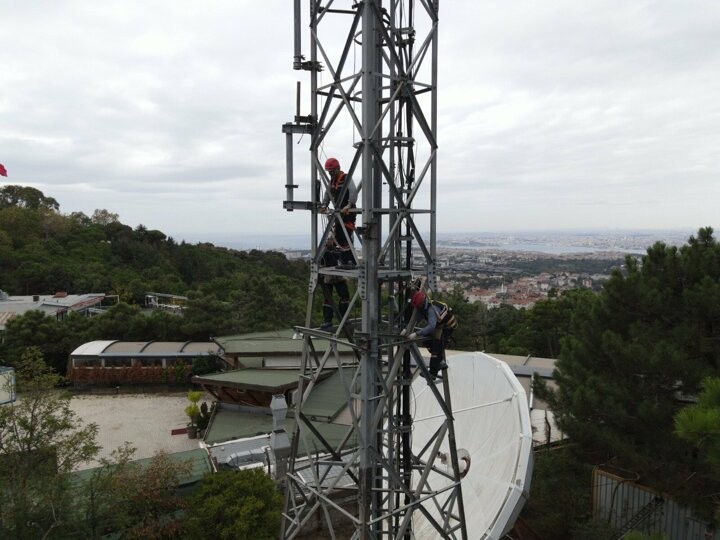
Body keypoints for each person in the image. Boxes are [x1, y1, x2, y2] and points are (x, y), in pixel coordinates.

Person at [404, 290, 458, 380]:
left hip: (447, 326)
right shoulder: (424, 307)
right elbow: (417, 319)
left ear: (422, 303)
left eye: (418, 306)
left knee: (436, 347)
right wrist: (406, 329)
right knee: (427, 341)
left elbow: (431, 326)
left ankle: (432, 373)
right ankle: (440, 362)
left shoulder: (431, 310)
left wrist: (416, 334)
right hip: (440, 325)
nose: (417, 308)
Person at [319, 157, 358, 268]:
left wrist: (350, 204)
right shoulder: (332, 181)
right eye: (329, 172)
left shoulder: (346, 178)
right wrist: (324, 205)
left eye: (332, 171)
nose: (330, 174)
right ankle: (346, 261)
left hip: (347, 211)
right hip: (339, 212)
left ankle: (349, 261)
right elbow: (328, 193)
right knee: (339, 236)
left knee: (345, 235)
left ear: (338, 168)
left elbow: (353, 191)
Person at [319, 237, 350, 329]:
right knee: (328, 298)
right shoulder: (324, 252)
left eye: (331, 240)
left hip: (338, 276)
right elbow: (321, 262)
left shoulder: (338, 250)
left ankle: (343, 318)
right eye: (328, 240)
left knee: (345, 296)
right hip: (329, 277)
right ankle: (328, 321)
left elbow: (343, 259)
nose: (330, 241)